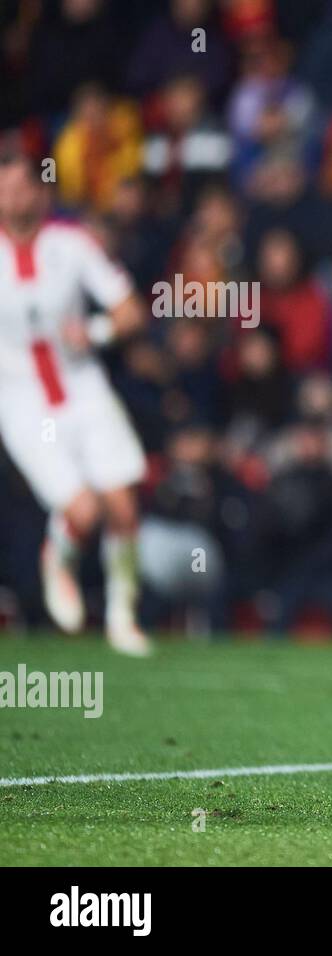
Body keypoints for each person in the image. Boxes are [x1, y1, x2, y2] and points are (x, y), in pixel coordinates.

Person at [0, 152, 153, 656]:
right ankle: (58, 559)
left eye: (28, 185)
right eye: (9, 187)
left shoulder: (72, 244)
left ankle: (122, 615)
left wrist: (94, 331)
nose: (20, 195)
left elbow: (130, 310)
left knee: (123, 504)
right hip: (22, 400)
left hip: (83, 386)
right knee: (82, 510)